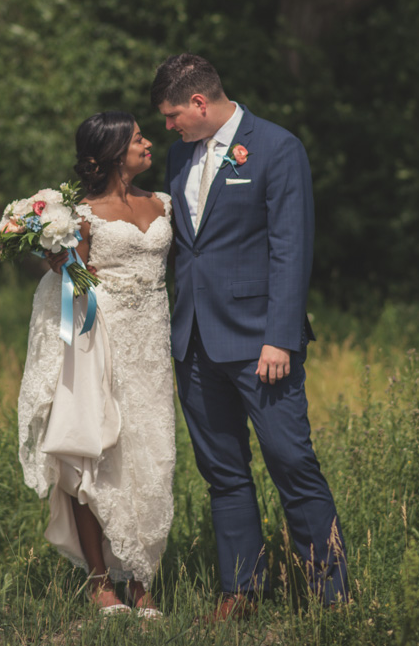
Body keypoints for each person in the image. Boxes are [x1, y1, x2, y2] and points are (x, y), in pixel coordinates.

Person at [152, 53, 349, 617]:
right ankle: (242, 590)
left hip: (260, 343)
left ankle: (330, 595)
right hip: (193, 342)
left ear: (198, 102)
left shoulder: (278, 148)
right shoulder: (179, 156)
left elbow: (291, 246)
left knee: (292, 462)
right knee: (222, 472)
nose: (168, 127)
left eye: (172, 115)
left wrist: (280, 337)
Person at [16, 112, 175, 617]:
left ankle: (140, 575)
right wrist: (57, 257)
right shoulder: (81, 216)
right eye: (137, 139)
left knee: (151, 455)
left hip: (152, 344)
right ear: (110, 153)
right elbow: (72, 281)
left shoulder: (164, 202)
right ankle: (101, 579)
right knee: (96, 452)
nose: (148, 143)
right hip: (100, 339)